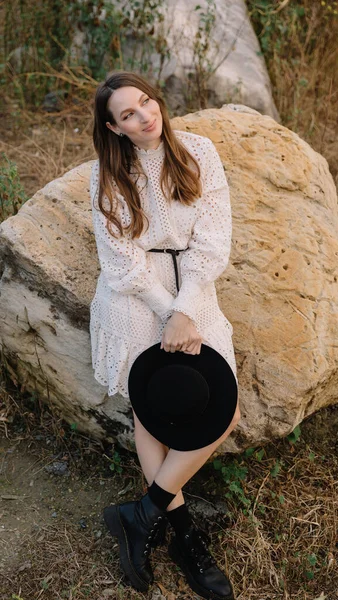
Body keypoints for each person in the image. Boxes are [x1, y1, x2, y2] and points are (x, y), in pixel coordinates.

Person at [89, 70, 241, 600]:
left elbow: (214, 240)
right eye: (128, 113)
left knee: (224, 407)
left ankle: (144, 513)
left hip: (193, 292)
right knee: (152, 415)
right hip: (133, 298)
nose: (145, 115)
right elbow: (120, 260)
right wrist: (164, 311)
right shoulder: (107, 175)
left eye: (146, 102)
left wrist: (184, 310)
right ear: (114, 128)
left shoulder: (197, 151)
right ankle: (184, 536)